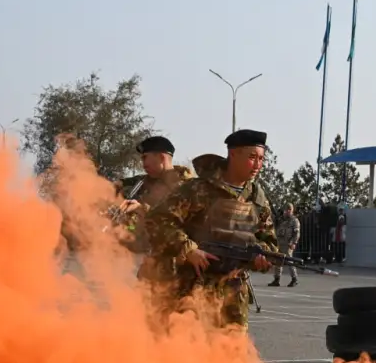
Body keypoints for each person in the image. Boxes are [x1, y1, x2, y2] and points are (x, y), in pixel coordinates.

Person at [145, 129, 279, 330]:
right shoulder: (198, 189)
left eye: (261, 159)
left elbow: (270, 242)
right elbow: (158, 220)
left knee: (231, 348)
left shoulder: (257, 199)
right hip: (192, 290)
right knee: (188, 345)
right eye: (252, 157)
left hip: (233, 297)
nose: (257, 165)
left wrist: (261, 257)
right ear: (233, 154)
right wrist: (188, 249)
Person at [112, 136, 195, 281]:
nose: (143, 164)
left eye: (145, 158)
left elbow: (173, 222)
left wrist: (141, 209)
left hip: (177, 266)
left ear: (161, 157)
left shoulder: (186, 187)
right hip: (152, 265)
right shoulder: (145, 182)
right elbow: (119, 185)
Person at [269, 203, 301, 287]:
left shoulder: (294, 220)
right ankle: (277, 279)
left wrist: (294, 243)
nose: (287, 211)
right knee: (278, 262)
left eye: (289, 210)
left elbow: (297, 233)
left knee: (289, 261)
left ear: (292, 211)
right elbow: (274, 225)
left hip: (288, 244)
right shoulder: (280, 219)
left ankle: (294, 279)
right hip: (279, 243)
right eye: (286, 210)